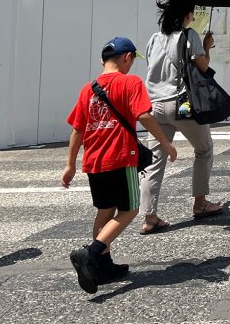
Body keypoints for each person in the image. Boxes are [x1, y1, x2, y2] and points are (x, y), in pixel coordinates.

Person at [62, 37, 178, 294]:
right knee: (130, 210)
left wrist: (70, 165)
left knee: (105, 212)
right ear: (127, 57)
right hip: (121, 157)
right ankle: (91, 253)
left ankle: (102, 266)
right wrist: (165, 144)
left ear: (102, 60)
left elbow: (77, 130)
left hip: (94, 161)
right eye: (132, 60)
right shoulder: (130, 82)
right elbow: (144, 114)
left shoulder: (87, 89)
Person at [139, 0, 223, 235]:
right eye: (192, 14)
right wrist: (206, 47)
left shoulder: (154, 39)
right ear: (186, 15)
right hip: (182, 105)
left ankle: (150, 217)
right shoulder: (189, 36)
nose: (193, 18)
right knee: (204, 150)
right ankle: (200, 204)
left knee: (155, 160)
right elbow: (203, 67)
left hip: (155, 107)